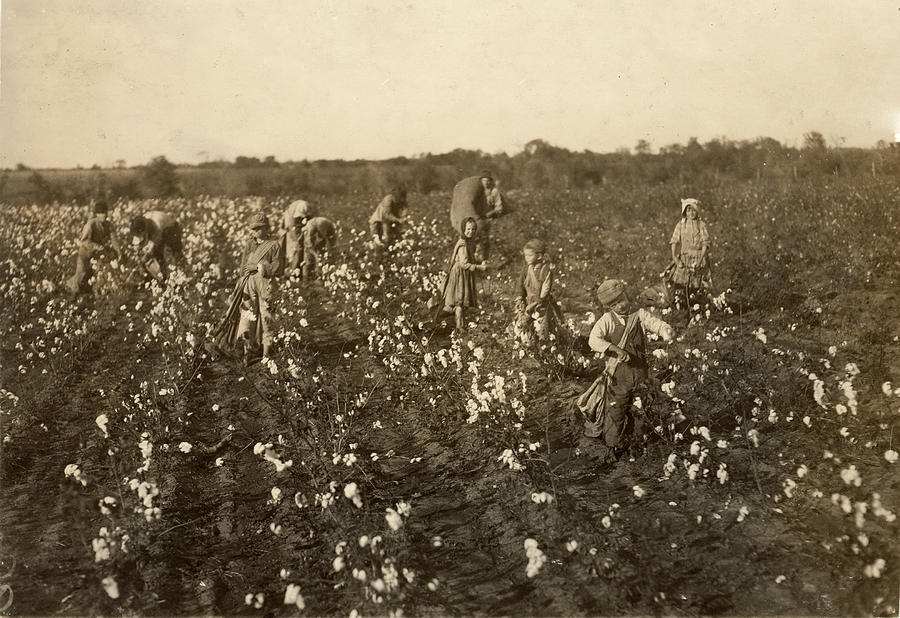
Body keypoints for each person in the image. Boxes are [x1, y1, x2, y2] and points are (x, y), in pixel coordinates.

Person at [577, 279, 674, 457]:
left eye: (621, 300)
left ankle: (640, 442)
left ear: (626, 295)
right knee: (616, 409)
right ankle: (614, 446)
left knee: (641, 406)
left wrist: (665, 330)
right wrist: (614, 348)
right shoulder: (607, 320)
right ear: (608, 307)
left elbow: (655, 323)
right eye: (614, 305)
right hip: (618, 376)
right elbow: (593, 340)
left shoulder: (639, 314)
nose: (620, 306)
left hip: (639, 372)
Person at [209, 213, 282, 364]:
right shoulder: (250, 244)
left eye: (258, 229)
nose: (255, 232)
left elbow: (278, 268)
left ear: (266, 228)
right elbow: (243, 266)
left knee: (267, 316)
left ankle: (267, 354)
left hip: (265, 284)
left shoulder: (274, 245)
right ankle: (248, 351)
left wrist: (258, 267)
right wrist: (240, 283)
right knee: (248, 316)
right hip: (249, 283)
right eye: (253, 229)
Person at [436, 217, 487, 332]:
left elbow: (469, 258)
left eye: (473, 229)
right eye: (468, 229)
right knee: (460, 300)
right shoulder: (463, 244)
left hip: (464, 273)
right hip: (460, 274)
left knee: (459, 300)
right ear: (463, 229)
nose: (471, 232)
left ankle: (449, 314)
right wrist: (479, 267)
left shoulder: (469, 242)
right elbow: (464, 264)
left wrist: (478, 260)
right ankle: (460, 326)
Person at [65, 200, 121, 296]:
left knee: (101, 272)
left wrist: (119, 253)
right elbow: (84, 241)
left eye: (105, 213)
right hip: (85, 253)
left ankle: (97, 291)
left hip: (98, 253)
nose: (103, 215)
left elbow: (114, 240)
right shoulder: (90, 225)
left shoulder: (109, 225)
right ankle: (69, 289)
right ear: (96, 214)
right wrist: (97, 246)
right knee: (81, 274)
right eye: (100, 213)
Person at [514, 238, 562, 342]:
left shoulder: (545, 270)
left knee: (541, 326)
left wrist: (538, 302)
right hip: (528, 302)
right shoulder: (526, 269)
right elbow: (520, 285)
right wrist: (520, 297)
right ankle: (526, 343)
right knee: (523, 324)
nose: (527, 258)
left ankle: (544, 345)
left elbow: (546, 288)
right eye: (525, 255)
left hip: (540, 304)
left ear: (539, 256)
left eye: (530, 255)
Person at [665, 198, 712, 302]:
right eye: (688, 210)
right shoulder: (681, 225)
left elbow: (705, 243)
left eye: (693, 210)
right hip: (684, 258)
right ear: (685, 212)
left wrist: (700, 261)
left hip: (699, 258)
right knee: (680, 285)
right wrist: (675, 258)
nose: (691, 213)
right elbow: (674, 241)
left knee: (698, 286)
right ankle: (682, 306)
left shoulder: (701, 225)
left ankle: (698, 307)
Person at [129, 210, 183, 280]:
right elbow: (138, 242)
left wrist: (147, 254)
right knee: (154, 256)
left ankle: (177, 272)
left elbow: (155, 243)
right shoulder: (140, 224)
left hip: (171, 228)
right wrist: (139, 252)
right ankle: (162, 275)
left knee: (170, 251)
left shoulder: (156, 225)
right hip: (160, 229)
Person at [282, 199, 313, 274]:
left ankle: (298, 267)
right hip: (291, 223)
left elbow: (309, 221)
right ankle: (293, 269)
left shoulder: (305, 207)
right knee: (297, 245)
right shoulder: (291, 216)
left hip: (298, 221)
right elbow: (292, 227)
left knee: (301, 245)